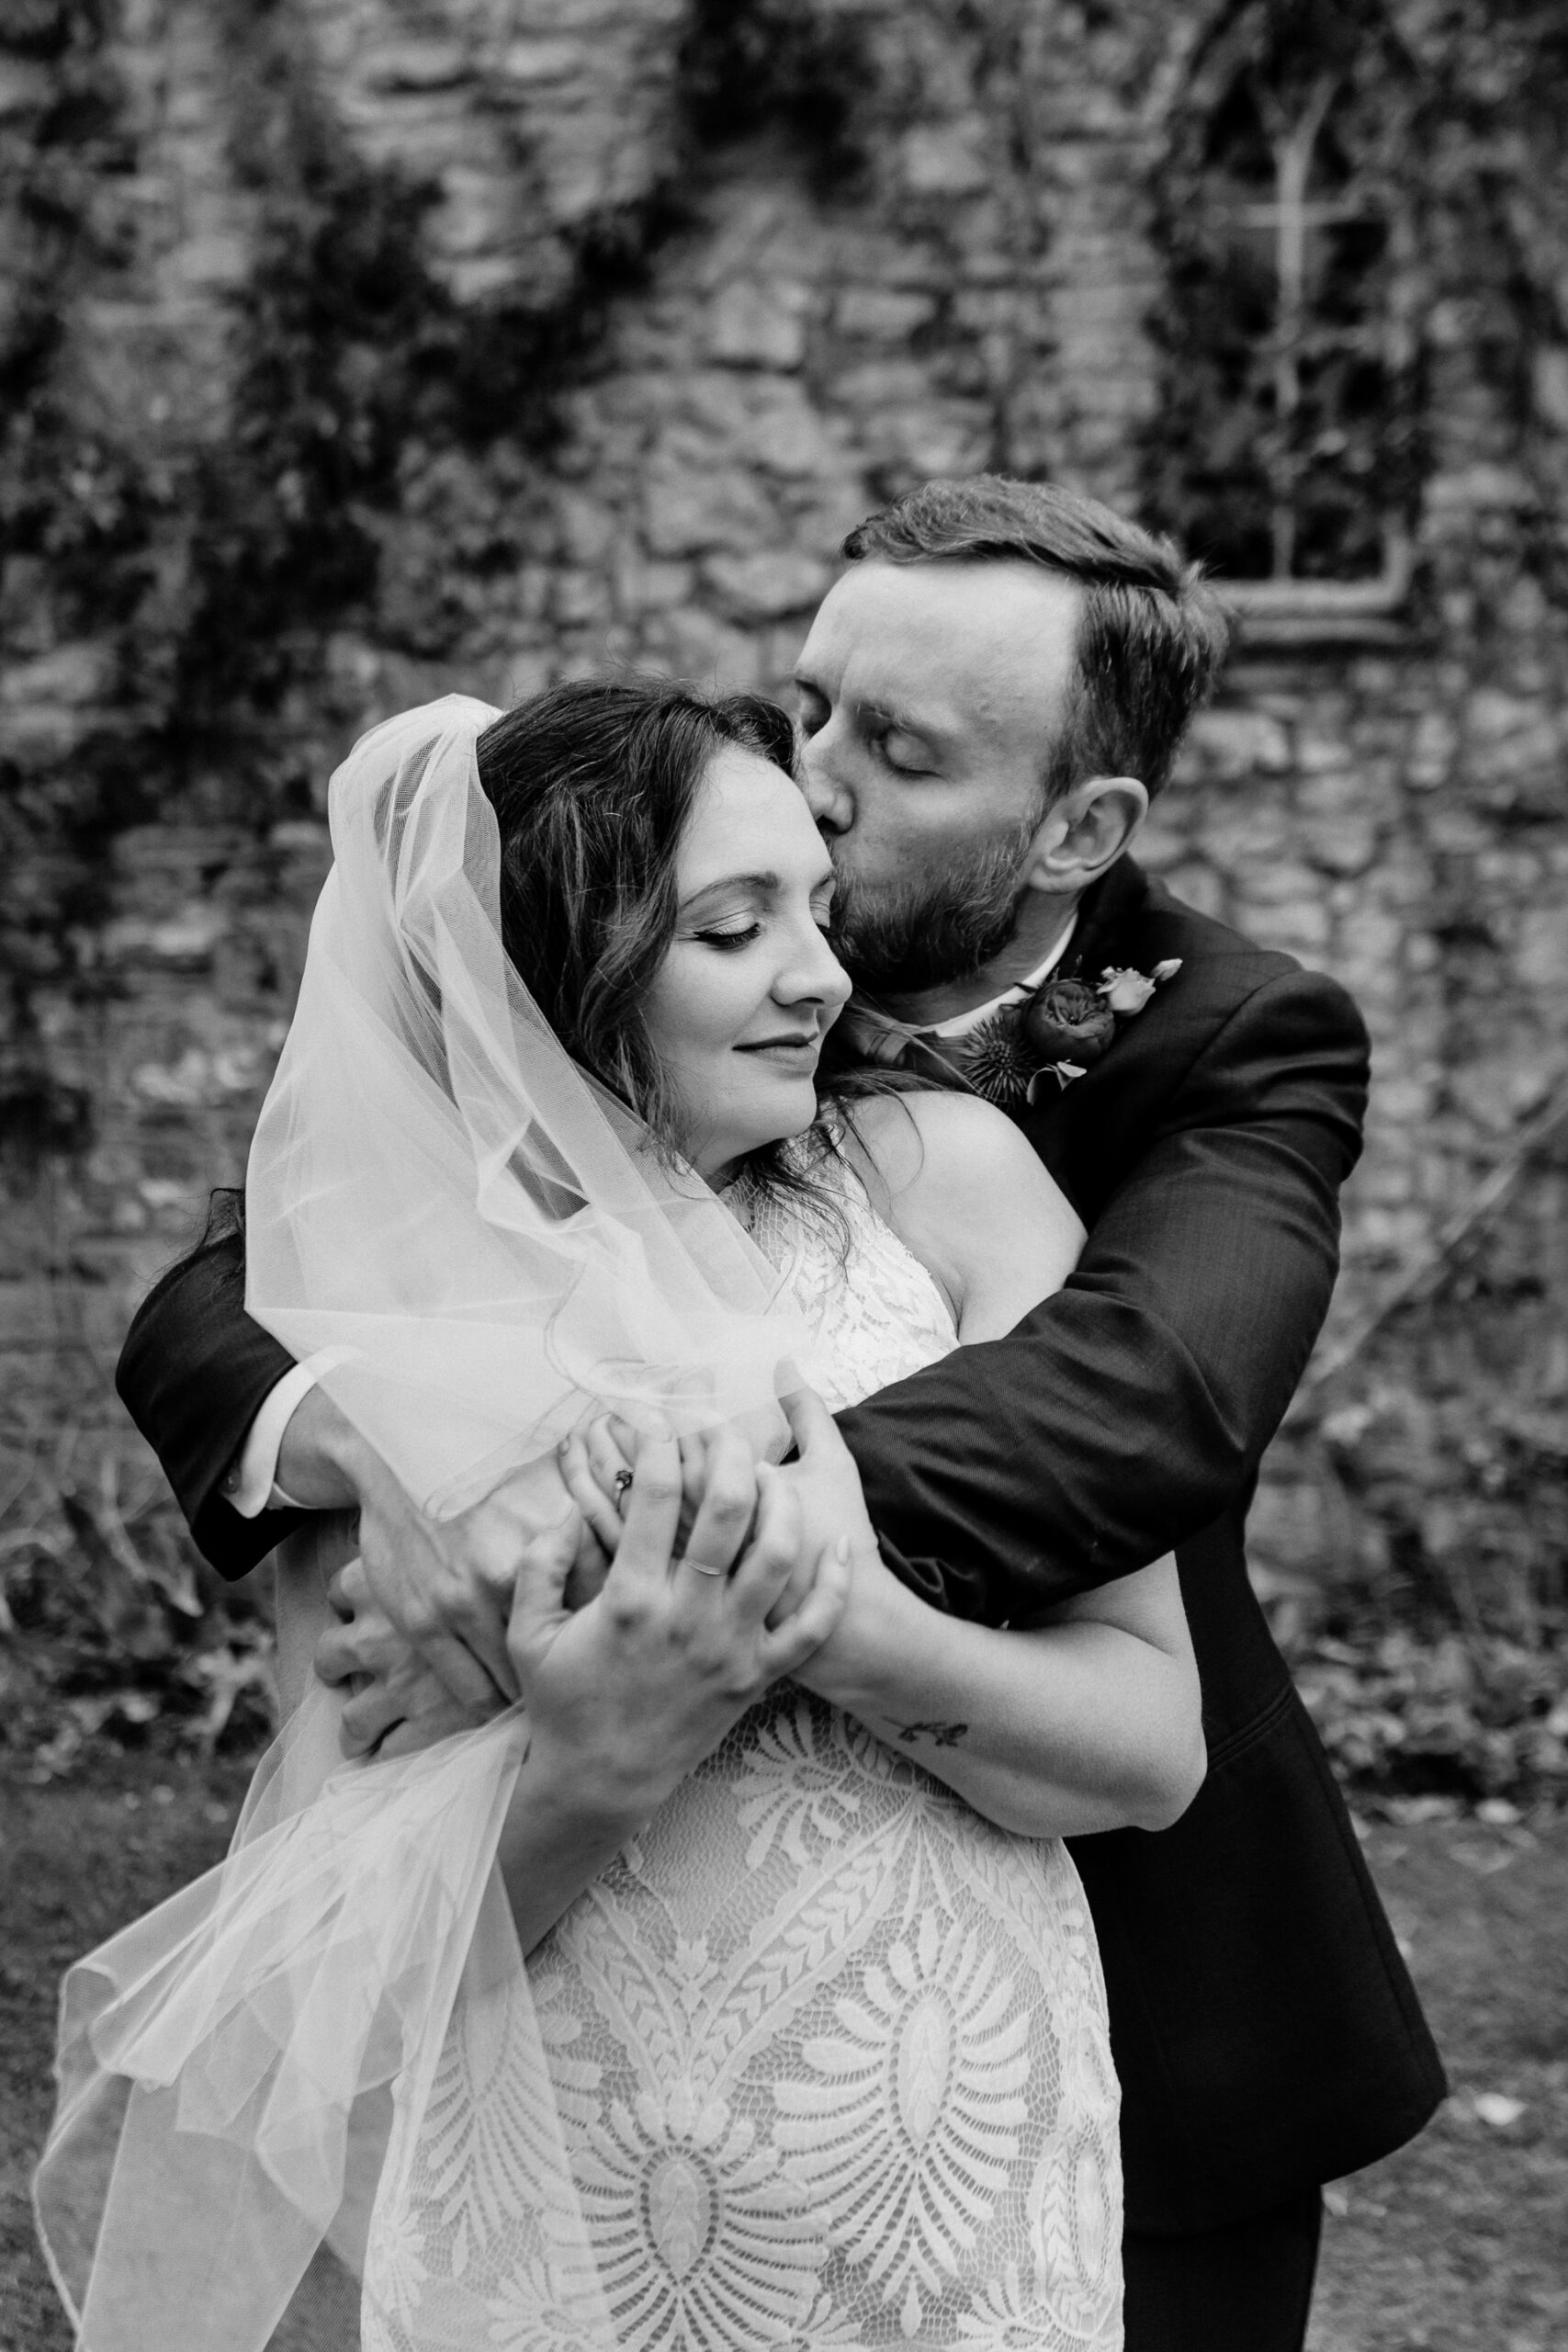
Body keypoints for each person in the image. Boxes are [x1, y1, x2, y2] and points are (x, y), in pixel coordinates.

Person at [114, 477, 1447, 2352]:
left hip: (1132, 1978)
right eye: (808, 702)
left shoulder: (1222, 1042)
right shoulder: (513, 1124)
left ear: (1077, 824)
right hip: (599, 2101)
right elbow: (238, 1290)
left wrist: (631, 1529)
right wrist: (351, 1419)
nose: (812, 778)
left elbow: (1143, 1391)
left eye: (890, 750)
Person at [43, 680, 1209, 2351]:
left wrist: (828, 1616)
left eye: (815, 904)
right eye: (734, 930)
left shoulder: (946, 1189)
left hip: (954, 2169)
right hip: (555, 2215)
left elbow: (1153, 1749)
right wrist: (597, 1758)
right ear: (549, 974)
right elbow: (323, 1987)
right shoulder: (383, 1334)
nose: (820, 973)